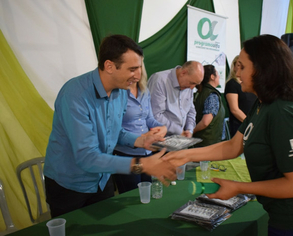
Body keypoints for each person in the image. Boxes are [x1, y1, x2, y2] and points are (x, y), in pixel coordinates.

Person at [163, 35, 293, 235]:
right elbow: (233, 146)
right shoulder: (263, 102)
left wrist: (238, 187)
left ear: (262, 70)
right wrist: (186, 154)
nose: (237, 71)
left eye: (242, 67)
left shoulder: (282, 112)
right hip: (284, 210)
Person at [43, 35, 176, 218]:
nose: (138, 75)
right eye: (132, 69)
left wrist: (141, 140)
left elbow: (114, 132)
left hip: (102, 178)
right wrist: (142, 164)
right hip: (69, 185)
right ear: (109, 66)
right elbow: (87, 157)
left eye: (139, 68)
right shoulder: (75, 95)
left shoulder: (120, 92)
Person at [112, 59, 167, 194]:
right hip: (126, 155)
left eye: (138, 68)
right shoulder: (117, 93)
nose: (136, 73)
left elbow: (149, 119)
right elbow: (113, 129)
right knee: (130, 195)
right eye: (132, 69)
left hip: (147, 153)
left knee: (145, 194)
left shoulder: (144, 90)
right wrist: (141, 139)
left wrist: (163, 127)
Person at [147, 61, 204, 138]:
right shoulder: (160, 80)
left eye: (195, 84)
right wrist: (178, 131)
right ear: (183, 73)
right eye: (192, 83)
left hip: (181, 139)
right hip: (161, 140)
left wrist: (190, 129)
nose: (192, 88)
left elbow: (191, 111)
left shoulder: (189, 86)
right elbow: (155, 115)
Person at [224, 55, 257, 137]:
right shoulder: (232, 84)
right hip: (240, 126)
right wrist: (249, 123)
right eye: (238, 65)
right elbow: (235, 109)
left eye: (243, 66)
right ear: (234, 67)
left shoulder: (250, 84)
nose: (240, 69)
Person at [193, 64, 225, 147]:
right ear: (212, 77)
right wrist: (191, 131)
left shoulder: (201, 93)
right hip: (208, 143)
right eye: (217, 74)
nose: (219, 77)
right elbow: (205, 122)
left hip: (204, 142)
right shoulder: (212, 96)